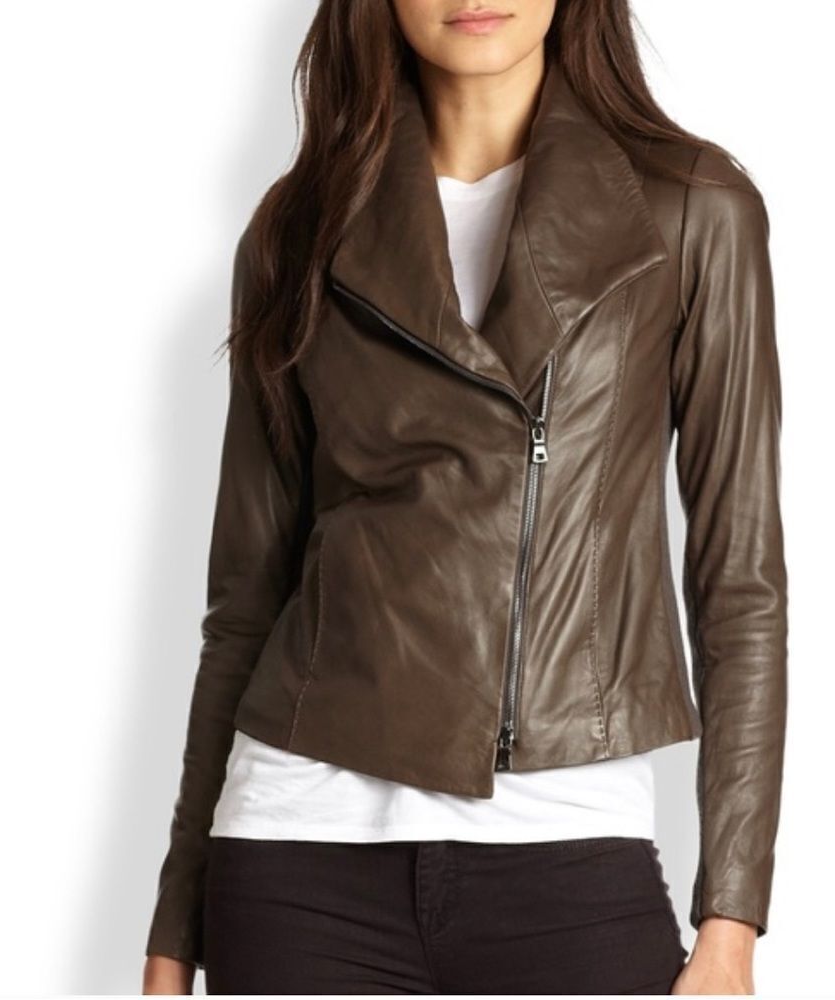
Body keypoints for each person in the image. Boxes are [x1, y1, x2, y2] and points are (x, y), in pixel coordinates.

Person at [142, 0, 788, 994]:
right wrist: (174, 931)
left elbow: (740, 588)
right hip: (296, 854)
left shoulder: (691, 208)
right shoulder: (298, 227)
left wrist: (730, 921)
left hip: (570, 850)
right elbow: (243, 606)